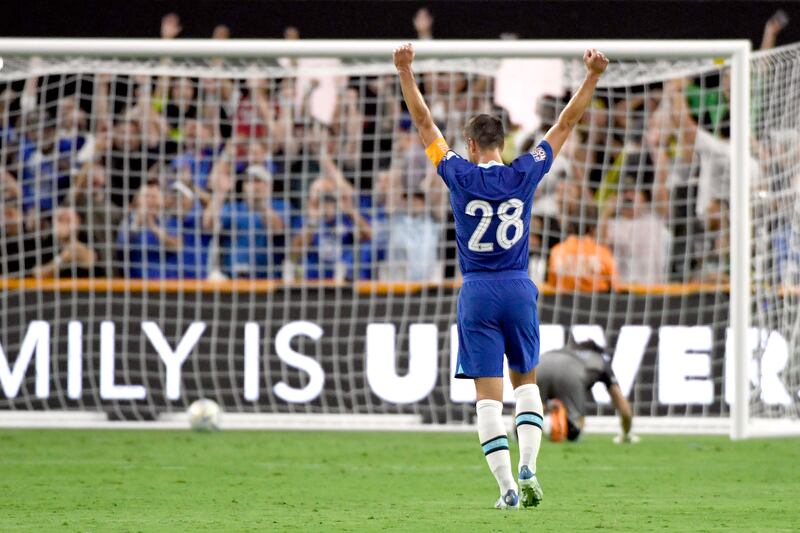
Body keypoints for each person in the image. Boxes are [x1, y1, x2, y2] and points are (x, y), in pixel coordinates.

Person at [393, 43, 608, 509]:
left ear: (470, 145)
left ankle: (508, 488)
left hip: (477, 292)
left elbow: (425, 122)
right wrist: (590, 77)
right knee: (526, 386)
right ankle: (530, 462)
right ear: (504, 144)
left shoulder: (457, 174)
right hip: (517, 286)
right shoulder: (523, 174)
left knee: (488, 400)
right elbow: (565, 124)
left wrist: (406, 71)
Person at [536, 337, 636, 445]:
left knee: (532, 406)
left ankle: (521, 424)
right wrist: (626, 433)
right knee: (575, 428)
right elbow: (621, 403)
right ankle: (569, 430)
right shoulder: (599, 360)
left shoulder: (564, 349)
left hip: (541, 364)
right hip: (571, 374)